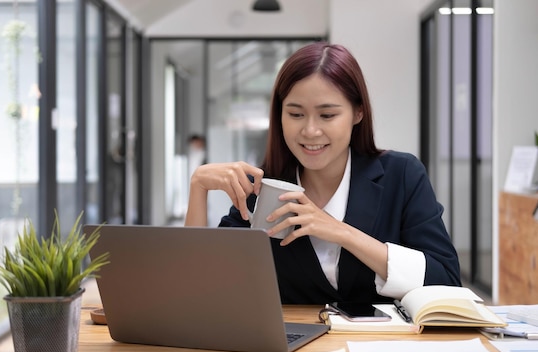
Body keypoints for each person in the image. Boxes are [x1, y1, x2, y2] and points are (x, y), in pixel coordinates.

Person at [185, 42, 461, 304]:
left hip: (382, 349)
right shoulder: (263, 186)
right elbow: (198, 287)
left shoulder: (401, 175)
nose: (310, 131)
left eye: (327, 116)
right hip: (292, 350)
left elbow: (446, 282)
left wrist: (342, 233)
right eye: (295, 115)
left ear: (358, 113)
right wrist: (198, 187)